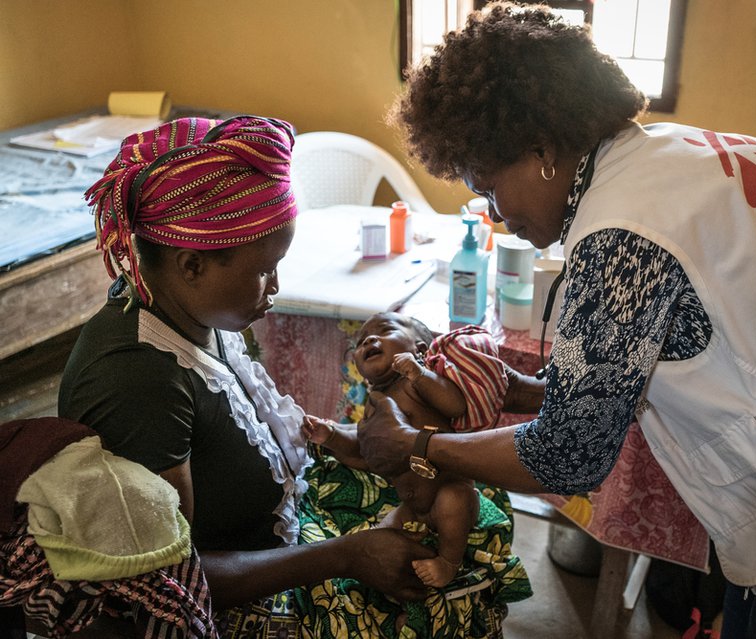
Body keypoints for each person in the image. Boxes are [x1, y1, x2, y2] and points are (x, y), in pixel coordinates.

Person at [356, 3, 756, 638]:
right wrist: (536, 391)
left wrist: (418, 446)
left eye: (487, 186)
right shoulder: (668, 153)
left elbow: (568, 457)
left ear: (540, 151)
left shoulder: (620, 239)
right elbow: (684, 336)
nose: (496, 213)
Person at [58, 115, 528, 638]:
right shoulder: (136, 382)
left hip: (285, 517)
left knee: (470, 506)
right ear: (191, 266)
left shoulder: (183, 310)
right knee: (445, 606)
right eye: (264, 270)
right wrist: (345, 556)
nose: (275, 286)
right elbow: (171, 582)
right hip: (229, 604)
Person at [303, 312, 509, 587]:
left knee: (454, 501)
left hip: (447, 491)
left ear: (420, 350)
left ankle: (449, 562)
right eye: (361, 341)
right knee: (378, 538)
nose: (370, 340)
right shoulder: (375, 401)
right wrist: (330, 436)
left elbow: (455, 405)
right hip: (410, 506)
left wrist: (420, 373)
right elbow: (365, 451)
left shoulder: (417, 383)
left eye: (385, 330)